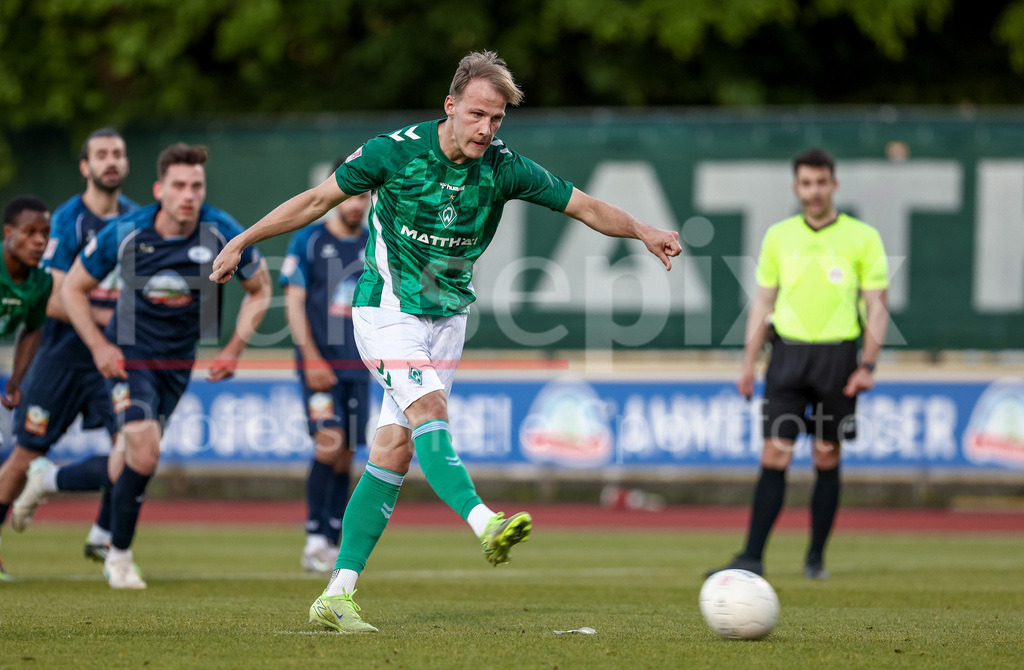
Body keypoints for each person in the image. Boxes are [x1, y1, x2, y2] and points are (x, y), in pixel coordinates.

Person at [210, 50, 682, 633]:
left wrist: (642, 230)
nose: (487, 128)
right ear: (450, 106)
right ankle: (485, 523)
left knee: (393, 450)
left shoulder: (504, 168)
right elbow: (314, 202)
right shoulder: (394, 153)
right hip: (387, 309)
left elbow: (583, 205)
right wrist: (242, 241)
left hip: (447, 319)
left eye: (498, 119)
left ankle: (337, 593)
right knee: (430, 410)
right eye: (478, 114)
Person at [61, 142, 271, 588]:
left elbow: (261, 289)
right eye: (178, 185)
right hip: (128, 353)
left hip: (178, 364)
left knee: (129, 459)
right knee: (144, 448)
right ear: (160, 189)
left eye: (196, 185)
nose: (188, 194)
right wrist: (99, 346)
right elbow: (72, 289)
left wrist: (234, 346)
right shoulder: (127, 231)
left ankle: (49, 483)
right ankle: (118, 555)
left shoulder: (222, 231)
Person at [707, 148, 889, 580]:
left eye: (821, 182)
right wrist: (748, 363)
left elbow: (877, 307)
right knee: (775, 452)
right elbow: (762, 304)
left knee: (826, 453)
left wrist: (868, 365)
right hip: (787, 357)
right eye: (806, 183)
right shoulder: (779, 236)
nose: (814, 191)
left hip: (838, 357)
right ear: (796, 188)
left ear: (833, 185)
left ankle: (815, 559)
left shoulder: (862, 237)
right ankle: (752, 555)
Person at [4, 128, 139, 566]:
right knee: (25, 453)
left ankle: (105, 538)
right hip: (61, 355)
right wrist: (111, 317)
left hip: (113, 361)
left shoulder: (138, 220)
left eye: (117, 153)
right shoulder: (64, 221)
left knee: (134, 447)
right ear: (85, 167)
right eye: (101, 154)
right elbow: (56, 298)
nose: (111, 161)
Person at [280, 185, 371, 572]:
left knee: (348, 450)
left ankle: (333, 537)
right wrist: (311, 357)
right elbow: (294, 301)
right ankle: (314, 538)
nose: (356, 204)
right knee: (329, 444)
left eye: (364, 197)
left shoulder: (376, 240)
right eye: (351, 196)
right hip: (319, 364)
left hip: (360, 365)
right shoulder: (310, 239)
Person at [0, 196, 53, 579]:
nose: (39, 241)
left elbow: (33, 329)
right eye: (30, 232)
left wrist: (16, 379)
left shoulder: (41, 281)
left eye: (45, 234)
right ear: (8, 233)